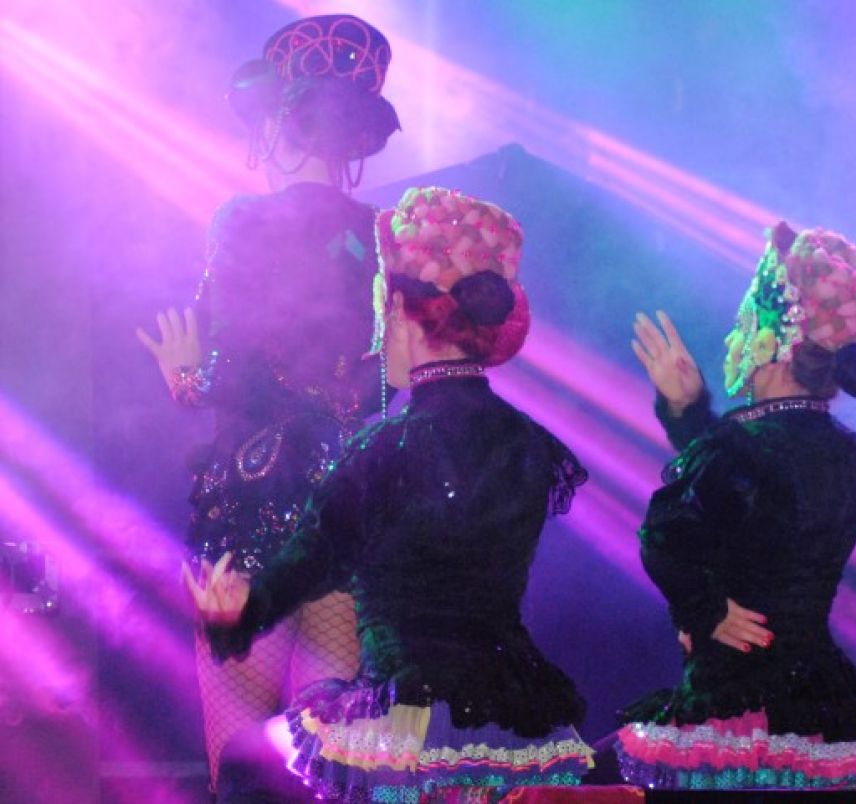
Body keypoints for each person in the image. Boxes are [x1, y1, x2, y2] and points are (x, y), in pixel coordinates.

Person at [185, 187, 594, 802]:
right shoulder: (532, 445)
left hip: (405, 720)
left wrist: (241, 611)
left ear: (398, 310)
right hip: (515, 721)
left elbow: (314, 561)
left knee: (244, 764)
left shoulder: (385, 449)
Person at [135, 14, 400, 793]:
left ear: (280, 123)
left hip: (252, 509)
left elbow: (229, 364)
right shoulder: (383, 234)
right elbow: (390, 385)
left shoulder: (242, 220)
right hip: (349, 505)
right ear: (355, 139)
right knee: (336, 772)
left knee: (244, 772)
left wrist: (187, 380)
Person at [616, 222, 856, 790]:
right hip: (817, 703)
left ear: (773, 341)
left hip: (737, 698)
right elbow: (762, 509)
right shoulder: (854, 458)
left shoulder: (737, 446)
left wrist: (703, 610)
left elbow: (665, 535)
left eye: (746, 323)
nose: (734, 337)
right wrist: (692, 415)